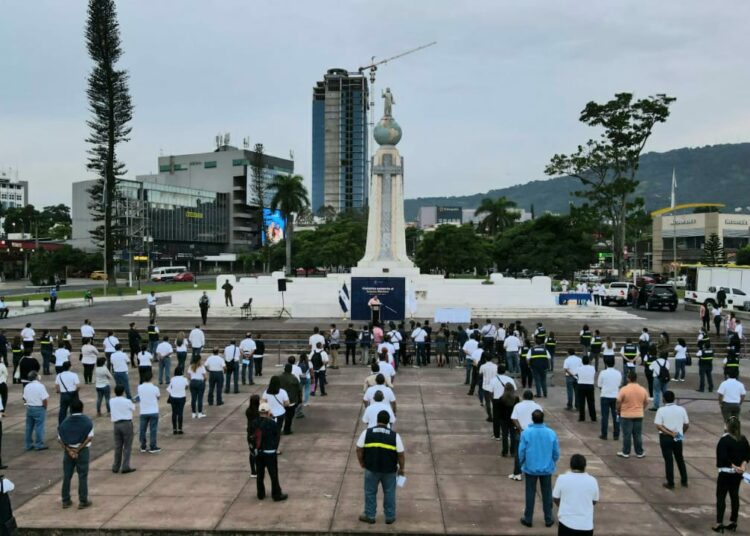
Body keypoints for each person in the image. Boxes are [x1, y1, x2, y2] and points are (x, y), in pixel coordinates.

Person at [356, 410, 405, 525]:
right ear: (388, 422)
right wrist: (402, 469)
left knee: (370, 492)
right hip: (389, 470)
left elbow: (359, 449)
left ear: (377, 420)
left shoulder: (366, 433)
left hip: (371, 468)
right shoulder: (395, 436)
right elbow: (401, 454)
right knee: (389, 492)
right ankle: (390, 516)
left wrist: (362, 462)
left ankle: (370, 515)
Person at [518, 409, 559, 529]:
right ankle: (548, 518)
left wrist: (522, 462)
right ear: (543, 419)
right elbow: (556, 452)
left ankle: (528, 518)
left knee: (530, 493)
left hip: (530, 468)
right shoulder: (551, 433)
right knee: (547, 493)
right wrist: (552, 461)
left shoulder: (526, 433)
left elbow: (521, 451)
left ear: (532, 419)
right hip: (546, 468)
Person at [713, 416, 749, 533]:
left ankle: (719, 523)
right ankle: (733, 521)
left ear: (727, 427)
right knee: (734, 497)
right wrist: (742, 466)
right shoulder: (743, 439)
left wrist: (734, 466)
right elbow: (747, 455)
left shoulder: (724, 440)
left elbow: (723, 458)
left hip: (725, 474)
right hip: (737, 475)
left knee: (721, 497)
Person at [57, 398, 94, 509]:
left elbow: (60, 439)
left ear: (70, 410)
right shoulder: (87, 421)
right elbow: (89, 438)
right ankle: (83, 501)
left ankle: (65, 500)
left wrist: (69, 451)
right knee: (82, 476)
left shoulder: (64, 423)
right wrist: (78, 450)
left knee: (67, 476)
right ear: (82, 408)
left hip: (68, 451)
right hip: (82, 451)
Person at [553, 454, 599, 536]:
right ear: (585, 466)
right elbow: (594, 501)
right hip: (586, 526)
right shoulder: (593, 481)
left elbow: (556, 498)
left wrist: (564, 506)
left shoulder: (562, 478)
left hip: (566, 523)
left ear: (571, 465)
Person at [248, 403, 287, 501]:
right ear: (268, 411)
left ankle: (260, 493)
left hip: (259, 452)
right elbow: (276, 436)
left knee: (260, 474)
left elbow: (250, 435)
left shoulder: (254, 422)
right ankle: (276, 494)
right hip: (270, 452)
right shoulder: (272, 423)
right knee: (273, 474)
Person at [654, 390, 689, 490]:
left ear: (664, 399)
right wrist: (680, 434)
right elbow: (686, 425)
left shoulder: (661, 410)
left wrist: (670, 433)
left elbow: (658, 426)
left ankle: (670, 482)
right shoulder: (681, 409)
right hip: (678, 436)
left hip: (665, 437)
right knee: (680, 458)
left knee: (668, 460)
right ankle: (684, 480)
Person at [509, 390, 543, 481]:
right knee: (533, 452)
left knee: (518, 453)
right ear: (533, 397)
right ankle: (532, 471)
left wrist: (519, 428)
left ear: (523, 397)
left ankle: (517, 473)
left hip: (522, 433)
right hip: (535, 433)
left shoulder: (518, 406)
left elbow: (513, 418)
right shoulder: (538, 406)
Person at [616, 371, 649, 459]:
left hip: (626, 414)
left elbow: (619, 401)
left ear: (628, 378)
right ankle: (639, 452)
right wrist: (641, 409)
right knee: (637, 434)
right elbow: (646, 402)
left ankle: (626, 452)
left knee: (627, 434)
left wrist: (618, 410)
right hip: (638, 414)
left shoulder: (624, 389)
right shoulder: (642, 389)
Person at [110, 384, 136, 474]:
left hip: (116, 424)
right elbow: (133, 408)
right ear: (123, 392)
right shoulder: (127, 401)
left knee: (118, 446)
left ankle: (115, 466)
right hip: (126, 424)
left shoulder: (111, 401)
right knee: (127, 446)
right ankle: (125, 466)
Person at [23, 372, 49, 451]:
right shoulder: (40, 386)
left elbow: (24, 398)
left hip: (30, 408)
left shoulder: (27, 386)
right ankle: (39, 444)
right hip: (39, 408)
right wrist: (45, 407)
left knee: (29, 427)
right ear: (36, 377)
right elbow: (44, 399)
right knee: (39, 427)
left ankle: (28, 444)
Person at [597, 359, 622, 441]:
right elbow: (619, 384)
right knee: (616, 416)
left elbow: (599, 385)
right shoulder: (618, 373)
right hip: (615, 396)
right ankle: (616, 435)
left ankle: (604, 434)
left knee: (605, 416)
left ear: (606, 364)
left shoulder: (603, 373)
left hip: (605, 395)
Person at [137, 370, 161, 453]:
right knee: (153, 430)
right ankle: (153, 446)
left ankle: (143, 446)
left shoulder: (139, 387)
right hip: (153, 411)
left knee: (142, 429)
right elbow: (158, 397)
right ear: (151, 378)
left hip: (143, 411)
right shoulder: (155, 388)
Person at [496, 381, 519, 457]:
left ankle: (505, 451)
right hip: (513, 420)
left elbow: (498, 411)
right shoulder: (516, 399)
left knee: (505, 436)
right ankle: (513, 451)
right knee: (513, 436)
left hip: (503, 420)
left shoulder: (501, 399)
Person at [277, 364, 301, 435]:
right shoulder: (294, 378)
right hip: (291, 401)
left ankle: (278, 429)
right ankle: (287, 430)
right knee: (289, 417)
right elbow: (299, 389)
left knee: (280, 417)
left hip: (281, 401)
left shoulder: (279, 377)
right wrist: (299, 399)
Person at [167, 366, 188, 435]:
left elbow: (169, 388)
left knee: (174, 413)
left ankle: (174, 429)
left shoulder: (172, 379)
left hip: (173, 397)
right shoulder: (184, 379)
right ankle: (180, 428)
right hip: (181, 397)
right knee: (180, 413)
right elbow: (186, 387)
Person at [576, 356, 596, 422]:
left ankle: (582, 417)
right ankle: (593, 417)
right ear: (589, 361)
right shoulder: (592, 368)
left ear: (582, 362)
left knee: (581, 402)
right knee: (591, 402)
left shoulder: (579, 368)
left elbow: (576, 374)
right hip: (590, 385)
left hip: (581, 385)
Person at [479, 355, 498, 421]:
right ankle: (495, 415)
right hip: (494, 386)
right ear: (491, 359)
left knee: (487, 402)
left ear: (485, 359)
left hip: (486, 386)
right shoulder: (495, 366)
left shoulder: (483, 366)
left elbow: (480, 374)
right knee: (494, 402)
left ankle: (490, 416)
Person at [245, 395, 260, 477]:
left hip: (250, 434)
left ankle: (253, 471)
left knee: (252, 453)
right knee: (259, 452)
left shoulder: (248, 411)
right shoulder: (259, 412)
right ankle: (259, 469)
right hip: (258, 434)